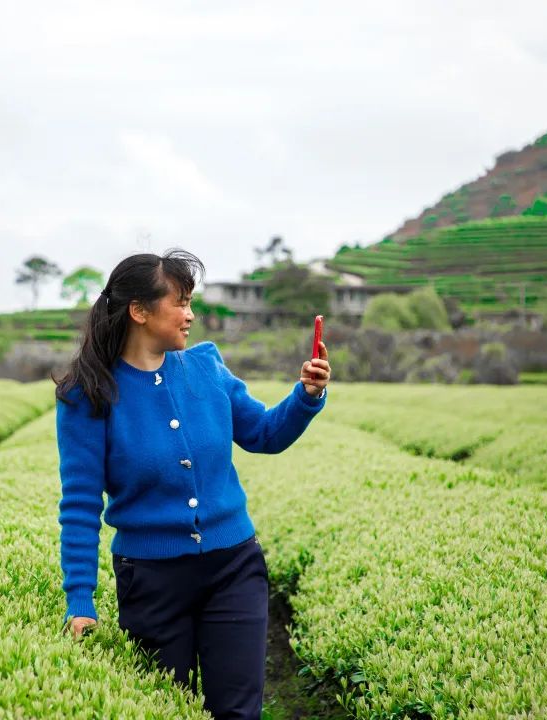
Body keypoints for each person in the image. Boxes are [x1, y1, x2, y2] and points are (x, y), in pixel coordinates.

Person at [52, 248, 330, 720]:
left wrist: (306, 395)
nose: (191, 314)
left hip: (234, 568)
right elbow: (79, 505)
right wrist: (80, 600)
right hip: (151, 581)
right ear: (140, 311)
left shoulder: (206, 367)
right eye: (180, 302)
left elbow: (263, 434)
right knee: (166, 708)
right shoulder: (88, 395)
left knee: (238, 712)